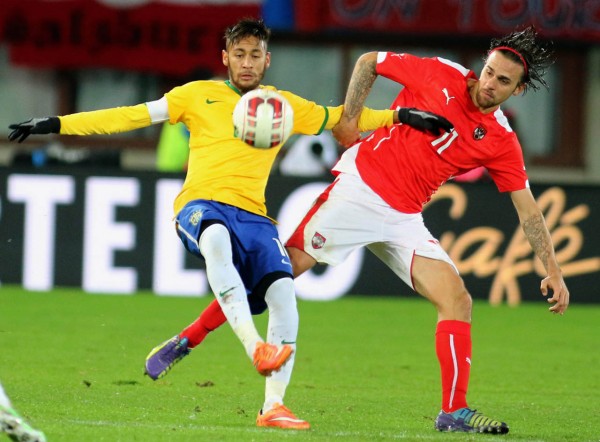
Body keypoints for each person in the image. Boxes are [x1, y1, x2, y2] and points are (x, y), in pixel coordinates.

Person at [7, 18, 451, 430]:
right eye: (238, 54)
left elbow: (341, 118)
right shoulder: (194, 95)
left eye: (255, 54)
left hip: (255, 217)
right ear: (225, 56)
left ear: (267, 59)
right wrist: (55, 122)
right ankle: (254, 346)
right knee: (216, 239)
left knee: (283, 294)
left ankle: (272, 406)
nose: (246, 62)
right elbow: (129, 116)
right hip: (201, 205)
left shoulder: (283, 106)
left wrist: (402, 116)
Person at [139, 26, 570, 435]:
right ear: (484, 65)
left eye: (504, 82)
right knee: (273, 279)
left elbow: (528, 209)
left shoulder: (500, 140)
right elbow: (370, 61)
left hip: (404, 218)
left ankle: (453, 412)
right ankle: (187, 339)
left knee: (457, 299)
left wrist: (552, 269)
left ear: (518, 90)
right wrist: (349, 119)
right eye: (490, 72)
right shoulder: (441, 73)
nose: (490, 84)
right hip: (359, 191)